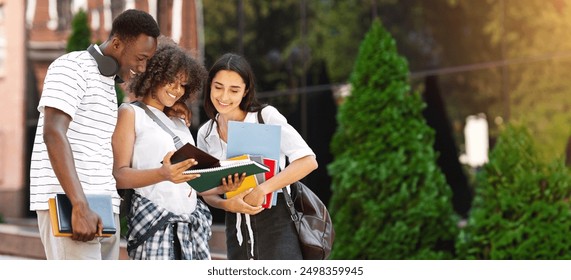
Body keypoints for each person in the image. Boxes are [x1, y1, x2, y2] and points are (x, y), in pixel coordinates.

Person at [29, 9, 165, 260]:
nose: (143, 67)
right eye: (141, 58)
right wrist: (79, 205)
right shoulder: (72, 66)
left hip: (103, 206)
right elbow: (54, 133)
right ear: (116, 43)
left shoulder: (107, 85)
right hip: (71, 205)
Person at [111, 41, 245, 260]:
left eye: (182, 85)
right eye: (171, 82)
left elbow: (190, 185)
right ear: (153, 76)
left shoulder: (179, 122)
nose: (177, 90)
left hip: (190, 230)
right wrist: (162, 174)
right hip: (156, 228)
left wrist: (222, 185)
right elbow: (119, 175)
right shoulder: (131, 113)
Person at [197, 53, 318, 259]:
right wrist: (226, 203)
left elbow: (308, 161)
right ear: (209, 86)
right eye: (218, 87)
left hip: (277, 222)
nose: (224, 97)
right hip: (236, 228)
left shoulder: (265, 117)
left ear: (245, 91)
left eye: (234, 90)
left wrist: (262, 189)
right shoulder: (206, 133)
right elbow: (207, 192)